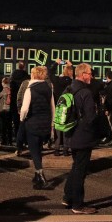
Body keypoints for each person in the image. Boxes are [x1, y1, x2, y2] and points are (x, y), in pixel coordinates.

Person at [62, 63, 99, 214]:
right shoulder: (85, 92)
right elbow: (90, 117)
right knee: (80, 170)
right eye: (90, 73)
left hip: (70, 133)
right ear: (83, 74)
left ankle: (67, 197)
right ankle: (78, 204)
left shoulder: (69, 88)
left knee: (76, 166)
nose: (91, 76)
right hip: (83, 135)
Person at [20, 66, 55, 189]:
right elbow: (52, 107)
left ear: (34, 75)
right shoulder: (48, 87)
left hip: (33, 123)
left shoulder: (30, 89)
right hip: (45, 123)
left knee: (34, 151)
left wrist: (21, 119)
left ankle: (41, 176)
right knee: (39, 149)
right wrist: (52, 124)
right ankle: (36, 174)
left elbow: (24, 108)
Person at [47, 60, 74, 156]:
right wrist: (72, 66)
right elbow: (77, 77)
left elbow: (50, 73)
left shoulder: (57, 80)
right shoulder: (71, 82)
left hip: (58, 106)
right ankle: (66, 149)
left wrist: (56, 63)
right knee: (66, 127)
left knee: (58, 128)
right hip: (68, 106)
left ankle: (57, 149)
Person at [10, 61, 30, 143]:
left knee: (15, 119)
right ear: (24, 66)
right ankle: (24, 138)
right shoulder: (26, 76)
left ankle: (16, 136)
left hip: (14, 99)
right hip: (24, 99)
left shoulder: (13, 75)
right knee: (24, 119)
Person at [0, 77, 12, 146]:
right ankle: (10, 140)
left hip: (3, 109)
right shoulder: (11, 89)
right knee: (9, 126)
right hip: (10, 109)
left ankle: (3, 141)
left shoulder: (3, 89)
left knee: (3, 126)